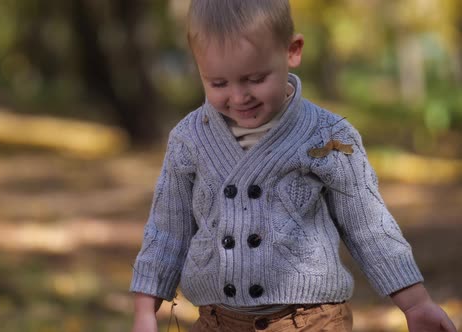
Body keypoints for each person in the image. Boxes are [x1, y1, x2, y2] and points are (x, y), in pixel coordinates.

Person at [130, 0, 458, 331]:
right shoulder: (189, 139)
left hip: (310, 321)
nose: (239, 96)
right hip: (216, 320)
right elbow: (166, 231)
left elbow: (368, 227)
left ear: (292, 51)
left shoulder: (327, 136)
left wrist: (415, 303)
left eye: (255, 78)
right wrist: (145, 311)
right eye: (218, 83)